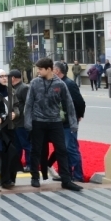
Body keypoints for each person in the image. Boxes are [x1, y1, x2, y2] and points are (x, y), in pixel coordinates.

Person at [24, 58, 82, 191]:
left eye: (40, 69)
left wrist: (73, 123)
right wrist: (28, 122)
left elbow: (69, 104)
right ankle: (35, 177)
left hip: (55, 122)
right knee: (36, 150)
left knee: (62, 150)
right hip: (38, 122)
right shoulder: (34, 83)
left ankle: (66, 180)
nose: (38, 71)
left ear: (49, 69)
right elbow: (29, 104)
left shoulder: (60, 84)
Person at [45, 61, 86, 183]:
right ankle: (66, 175)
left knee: (71, 148)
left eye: (51, 69)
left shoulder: (69, 84)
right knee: (63, 149)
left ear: (57, 71)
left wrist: (78, 116)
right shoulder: (57, 83)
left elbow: (80, 102)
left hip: (69, 123)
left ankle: (78, 176)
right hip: (60, 122)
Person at [0, 69, 21, 189]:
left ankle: (11, 178)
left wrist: (15, 113)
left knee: (13, 152)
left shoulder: (10, 90)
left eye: (6, 76)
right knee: (7, 152)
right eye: (1, 76)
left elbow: (16, 106)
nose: (4, 78)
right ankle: (5, 180)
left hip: (11, 126)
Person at [10, 69, 31, 174]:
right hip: (16, 123)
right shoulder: (14, 88)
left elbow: (28, 105)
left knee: (26, 144)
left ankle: (29, 164)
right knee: (17, 146)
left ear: (13, 78)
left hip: (22, 122)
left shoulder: (24, 88)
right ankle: (17, 164)